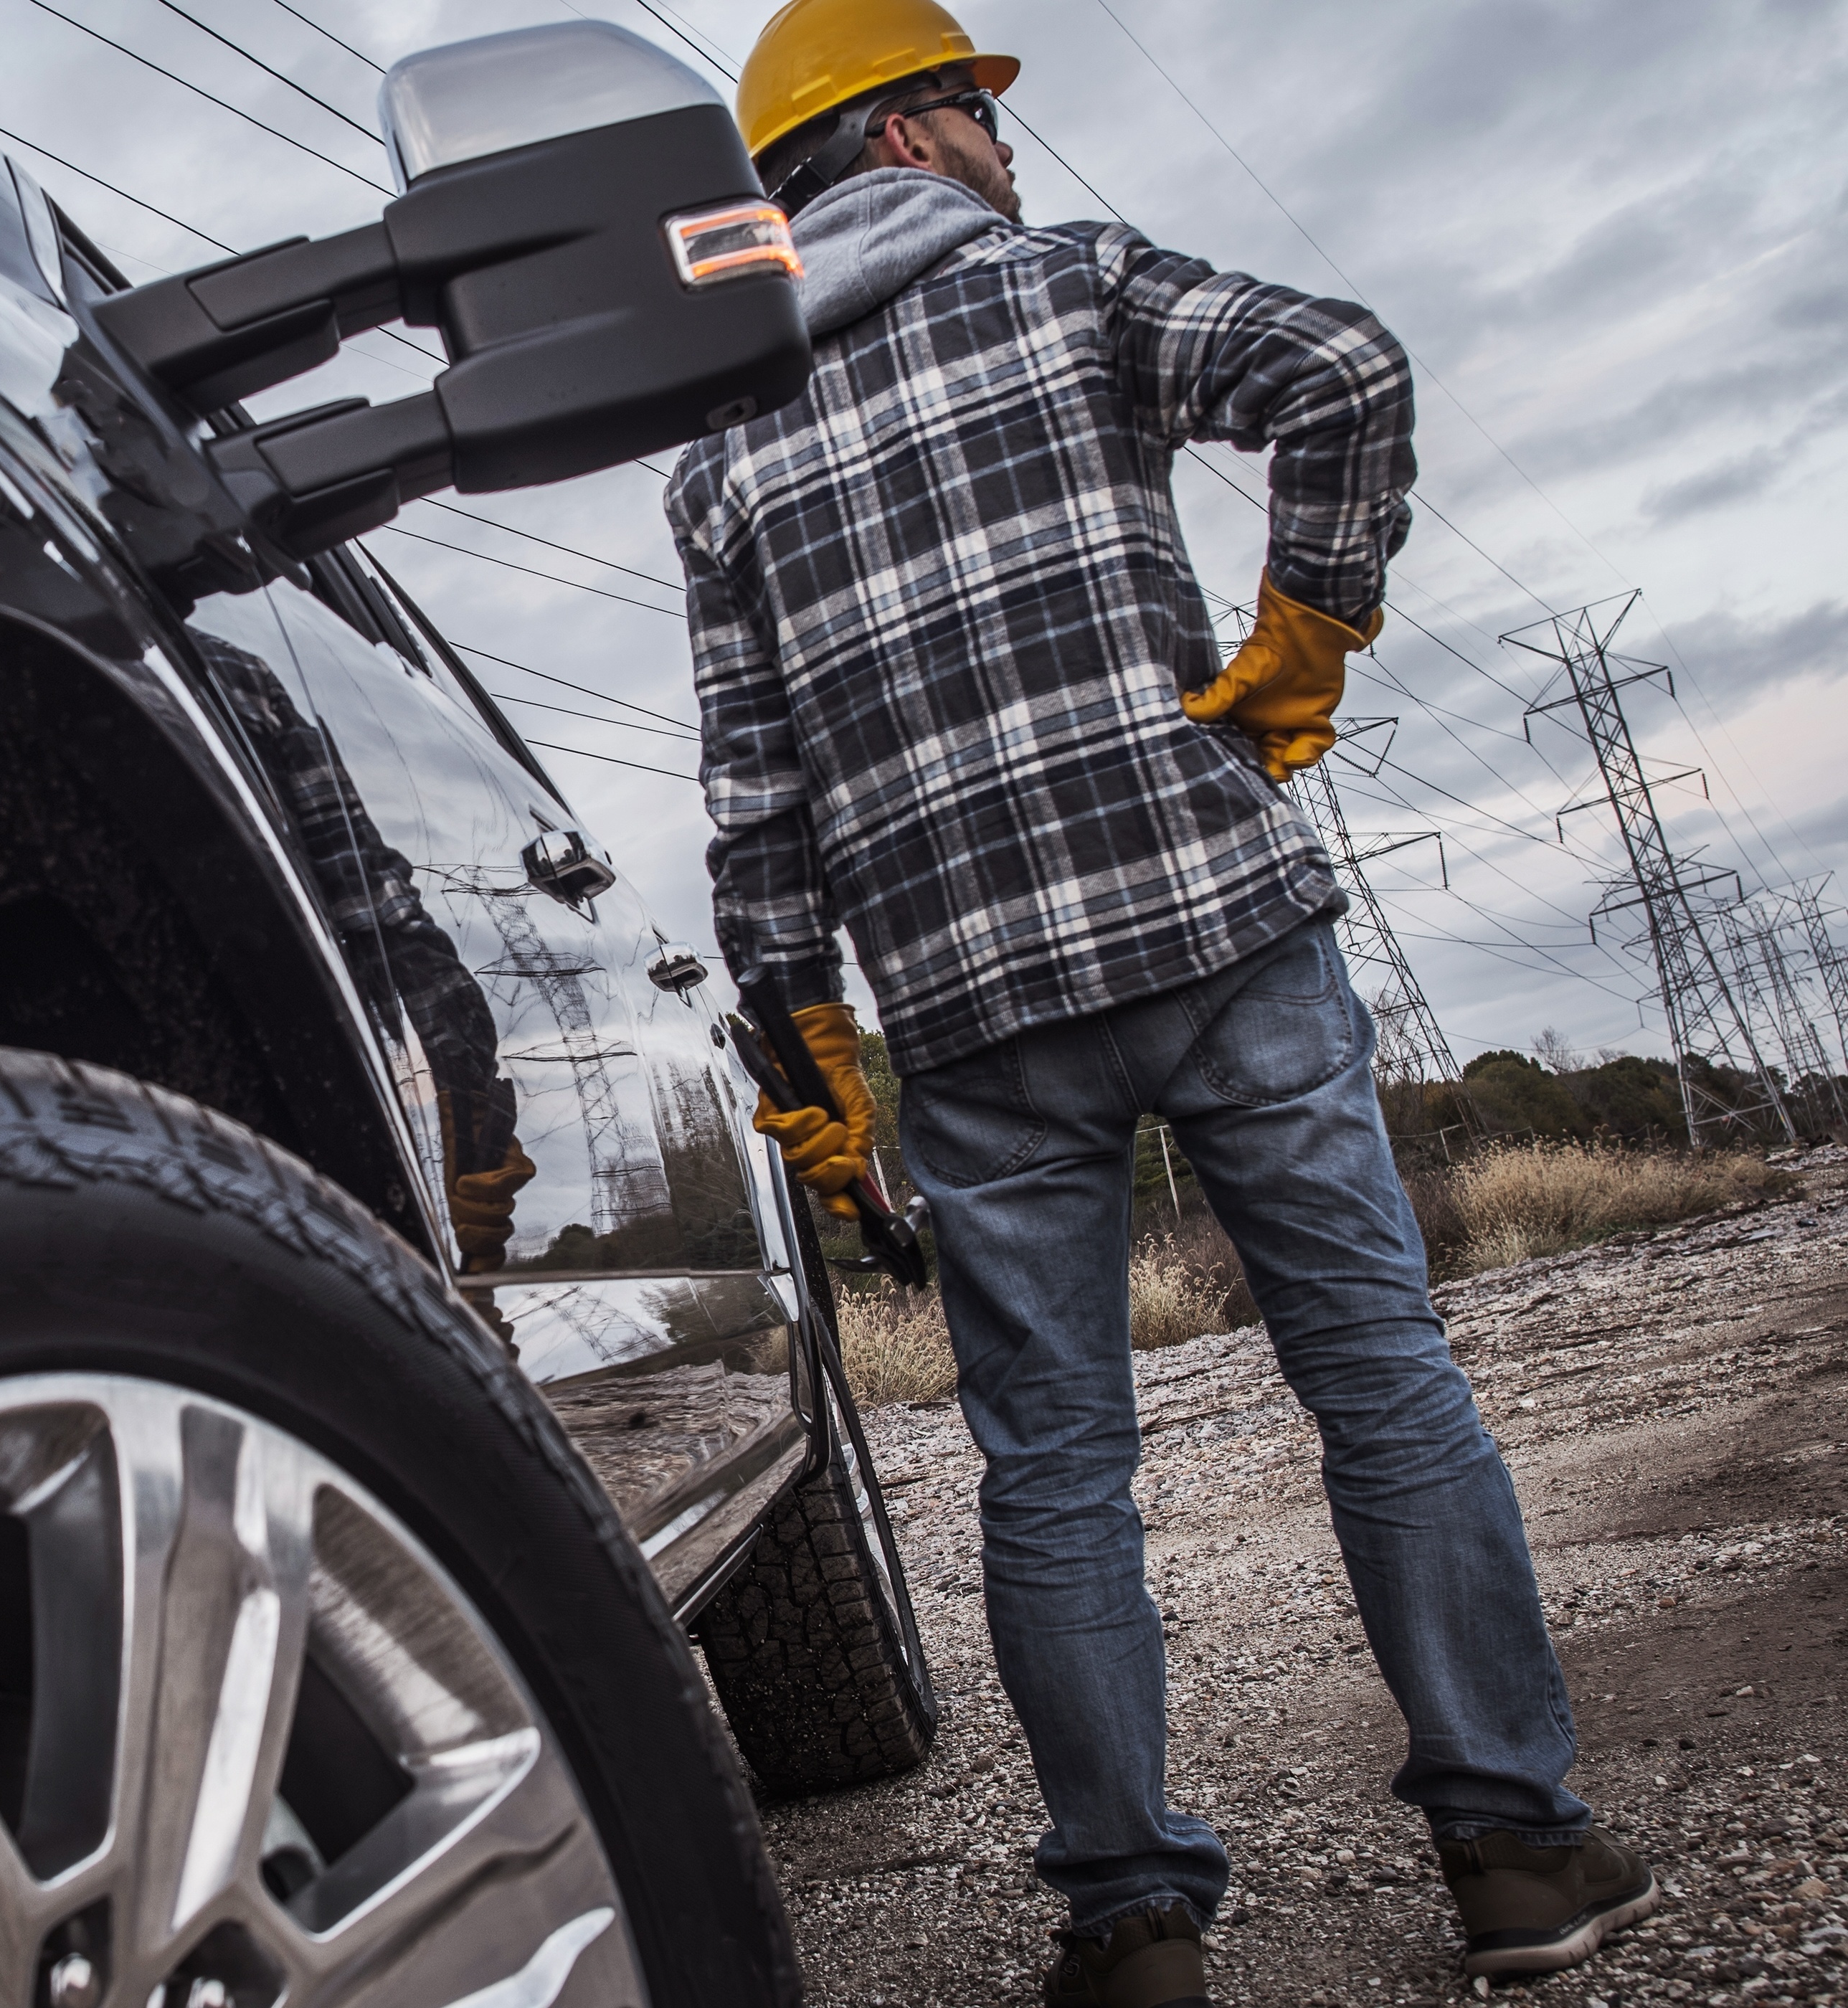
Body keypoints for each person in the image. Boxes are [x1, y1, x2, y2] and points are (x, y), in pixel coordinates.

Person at [668, 3, 1657, 2001]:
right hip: (1212, 925)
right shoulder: (1072, 286)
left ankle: (1130, 1927)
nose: (1012, 147)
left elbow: (752, 796)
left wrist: (817, 1066)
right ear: (901, 133)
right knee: (1379, 1375)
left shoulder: (721, 457)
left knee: (1052, 1469)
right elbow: (1341, 365)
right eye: (980, 109)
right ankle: (1515, 1856)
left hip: (963, 1007)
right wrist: (1308, 635)